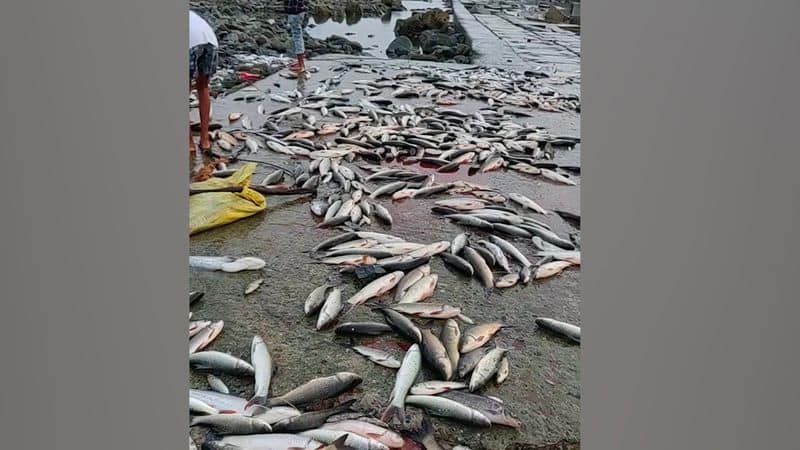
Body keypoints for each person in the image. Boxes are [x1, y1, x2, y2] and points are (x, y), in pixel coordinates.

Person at [189, 10, 219, 153]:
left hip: (191, 43)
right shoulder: (192, 15)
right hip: (210, 40)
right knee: (203, 87)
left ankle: (189, 143)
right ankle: (205, 140)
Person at [284, 0, 308, 73]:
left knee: (297, 37)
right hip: (300, 11)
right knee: (298, 36)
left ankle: (301, 65)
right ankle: (300, 62)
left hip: (294, 12)